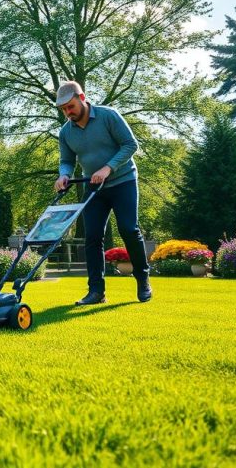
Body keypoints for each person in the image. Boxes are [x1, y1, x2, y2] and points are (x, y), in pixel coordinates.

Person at [52, 81, 152, 305]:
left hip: (123, 180)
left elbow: (130, 145)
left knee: (128, 228)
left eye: (71, 106)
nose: (68, 112)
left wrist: (108, 168)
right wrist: (64, 175)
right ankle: (96, 291)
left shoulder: (108, 116)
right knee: (93, 237)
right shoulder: (65, 132)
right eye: (64, 109)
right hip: (94, 186)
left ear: (82, 97)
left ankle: (142, 278)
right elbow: (66, 161)